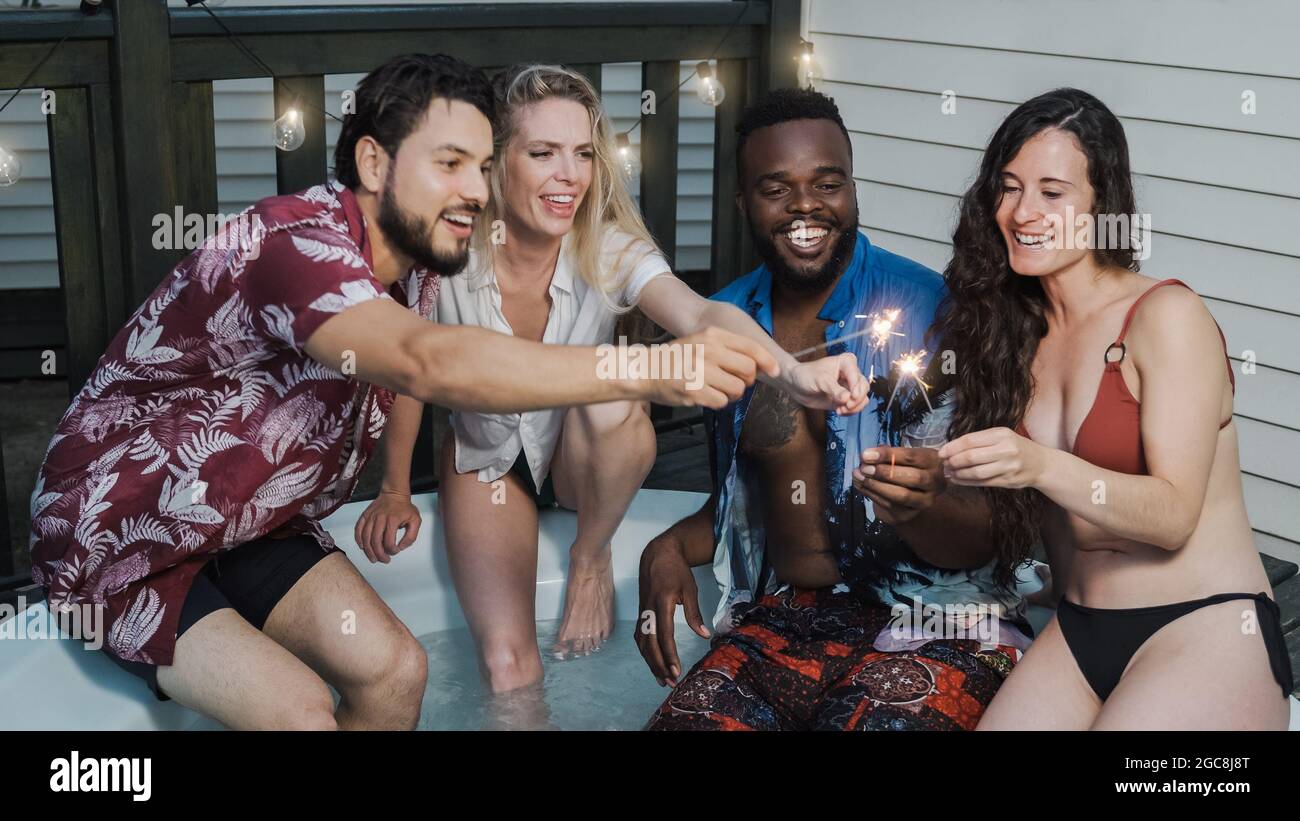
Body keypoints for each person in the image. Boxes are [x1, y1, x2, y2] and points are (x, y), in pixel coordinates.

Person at [27, 53, 774, 731]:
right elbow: (424, 362)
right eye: (450, 164)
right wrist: (653, 369)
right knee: (299, 712)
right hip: (124, 538)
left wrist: (787, 371)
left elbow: (427, 359)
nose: (475, 191)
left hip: (249, 522)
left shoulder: (420, 263)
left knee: (399, 670)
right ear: (374, 161)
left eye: (483, 167)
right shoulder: (291, 244)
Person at [355, 65, 868, 694]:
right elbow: (409, 371)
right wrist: (394, 489)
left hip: (584, 461)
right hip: (486, 461)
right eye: (542, 153)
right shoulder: (450, 250)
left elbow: (703, 314)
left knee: (615, 399)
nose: (568, 175)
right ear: (495, 164)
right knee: (510, 671)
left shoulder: (609, 246)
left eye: (582, 154)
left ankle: (590, 558)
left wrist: (795, 375)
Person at [637, 88, 1030, 731]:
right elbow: (752, 500)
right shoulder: (725, 326)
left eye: (827, 183)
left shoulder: (936, 314)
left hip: (938, 621)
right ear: (744, 205)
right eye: (776, 189)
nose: (805, 207)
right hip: (781, 622)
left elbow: (998, 531)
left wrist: (926, 503)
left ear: (852, 189)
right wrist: (668, 547)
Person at [934, 88, 1292, 730]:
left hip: (1202, 621)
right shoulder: (1011, 331)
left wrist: (1036, 463)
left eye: (1052, 191)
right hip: (1079, 629)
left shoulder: (1166, 317)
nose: (1023, 212)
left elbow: (1173, 515)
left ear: (1104, 204)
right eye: (1009, 187)